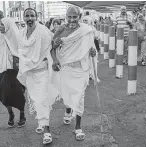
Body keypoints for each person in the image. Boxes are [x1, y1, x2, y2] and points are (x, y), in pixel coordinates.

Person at [51, 6, 97, 141]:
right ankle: (68, 109)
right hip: (65, 68)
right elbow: (51, 47)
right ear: (66, 17)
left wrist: (93, 53)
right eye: (69, 17)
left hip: (81, 69)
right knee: (68, 94)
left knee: (79, 97)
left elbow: (91, 48)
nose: (72, 20)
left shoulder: (86, 30)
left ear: (79, 17)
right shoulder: (60, 30)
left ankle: (77, 127)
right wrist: (54, 58)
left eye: (75, 17)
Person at [16, 8, 59, 145]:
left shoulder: (43, 31)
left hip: (42, 72)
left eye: (32, 16)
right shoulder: (22, 34)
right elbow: (21, 51)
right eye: (27, 16)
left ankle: (47, 131)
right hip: (29, 74)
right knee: (35, 100)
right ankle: (41, 122)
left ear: (36, 17)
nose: (29, 18)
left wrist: (55, 59)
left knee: (41, 101)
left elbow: (52, 45)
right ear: (23, 18)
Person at [0, 18, 26, 128]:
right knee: (4, 95)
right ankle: (10, 114)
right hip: (3, 70)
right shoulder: (0, 37)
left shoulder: (16, 35)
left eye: (2, 25)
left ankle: (22, 114)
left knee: (18, 94)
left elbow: (22, 51)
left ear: (8, 25)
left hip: (15, 70)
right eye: (0, 24)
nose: (0, 27)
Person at [82, 16, 100, 81]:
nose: (84, 22)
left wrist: (97, 48)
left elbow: (96, 37)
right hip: (83, 47)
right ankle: (87, 76)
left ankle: (94, 76)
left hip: (91, 46)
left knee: (93, 61)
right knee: (85, 62)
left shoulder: (92, 28)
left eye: (86, 20)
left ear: (89, 21)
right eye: (83, 20)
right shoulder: (81, 28)